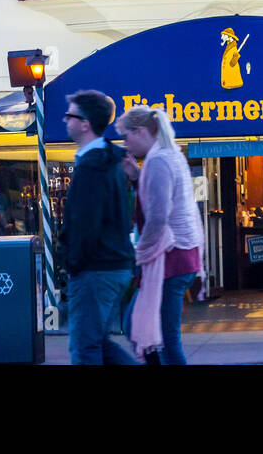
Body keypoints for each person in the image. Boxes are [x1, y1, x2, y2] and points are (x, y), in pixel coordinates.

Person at [116, 105, 204, 364]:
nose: (125, 143)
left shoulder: (158, 160)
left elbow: (158, 215)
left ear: (141, 131)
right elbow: (159, 199)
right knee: (140, 328)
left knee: (163, 339)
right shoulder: (168, 155)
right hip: (178, 257)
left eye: (126, 136)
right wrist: (136, 176)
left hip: (170, 260)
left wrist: (141, 253)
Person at [60, 89, 137, 365]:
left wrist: (73, 263)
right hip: (113, 265)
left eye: (70, 115)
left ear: (85, 124)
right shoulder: (109, 162)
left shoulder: (92, 168)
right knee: (99, 343)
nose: (64, 120)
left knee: (84, 347)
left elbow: (85, 224)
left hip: (95, 269)